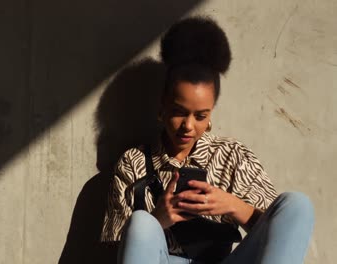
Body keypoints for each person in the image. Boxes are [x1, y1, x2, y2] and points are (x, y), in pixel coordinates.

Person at [100, 17, 314, 264]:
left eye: (200, 116)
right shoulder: (133, 162)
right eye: (179, 112)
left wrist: (232, 205)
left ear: (211, 114)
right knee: (141, 223)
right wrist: (159, 218)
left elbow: (275, 231)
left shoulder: (233, 156)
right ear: (162, 110)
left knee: (297, 205)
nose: (188, 126)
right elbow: (115, 250)